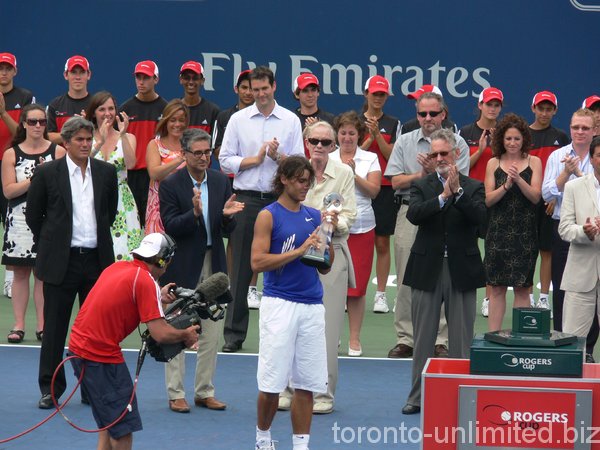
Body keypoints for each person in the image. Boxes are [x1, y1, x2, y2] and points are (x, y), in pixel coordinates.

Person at [68, 232, 200, 450]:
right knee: (123, 431)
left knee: (108, 426)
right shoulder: (145, 282)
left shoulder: (117, 268)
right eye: (168, 261)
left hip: (78, 352)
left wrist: (157, 295)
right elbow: (161, 334)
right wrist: (186, 335)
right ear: (162, 260)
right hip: (100, 359)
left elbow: (127, 294)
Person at [25, 116, 118, 409]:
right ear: (65, 142)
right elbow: (34, 216)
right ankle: (50, 389)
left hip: (96, 262)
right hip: (60, 263)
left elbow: (109, 213)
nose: (85, 144)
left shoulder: (105, 172)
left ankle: (90, 388)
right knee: (54, 329)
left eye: (89, 139)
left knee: (94, 331)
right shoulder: (47, 173)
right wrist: (53, 244)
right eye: (79, 139)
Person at [219, 66, 304, 353]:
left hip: (280, 200)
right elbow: (224, 160)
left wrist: (279, 157)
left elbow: (301, 163)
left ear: (274, 87)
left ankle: (282, 335)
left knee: (282, 266)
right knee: (241, 268)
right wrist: (253, 160)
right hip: (246, 198)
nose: (259, 94)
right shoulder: (238, 120)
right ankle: (233, 334)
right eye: (254, 90)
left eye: (264, 88)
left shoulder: (291, 120)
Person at [401, 128, 486, 415]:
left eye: (444, 154)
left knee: (461, 340)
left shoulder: (473, 187)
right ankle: (417, 396)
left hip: (461, 269)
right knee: (423, 338)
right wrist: (441, 197)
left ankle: (462, 396)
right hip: (427, 268)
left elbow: (481, 221)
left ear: (457, 154)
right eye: (435, 154)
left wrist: (457, 193)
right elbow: (414, 215)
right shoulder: (422, 185)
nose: (439, 158)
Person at [159, 128, 243, 413]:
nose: (204, 157)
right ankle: (176, 393)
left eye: (207, 152)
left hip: (214, 264)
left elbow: (225, 227)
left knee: (212, 331)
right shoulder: (171, 184)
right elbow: (171, 225)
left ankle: (204, 391)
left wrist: (227, 218)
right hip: (182, 266)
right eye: (198, 153)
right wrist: (194, 213)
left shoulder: (220, 181)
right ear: (184, 154)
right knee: (177, 329)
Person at [251, 155, 331, 450]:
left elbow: (324, 267)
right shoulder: (268, 215)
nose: (304, 186)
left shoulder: (315, 215)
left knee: (307, 384)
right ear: (283, 179)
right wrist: (300, 250)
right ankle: (262, 438)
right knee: (271, 384)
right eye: (299, 180)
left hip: (312, 306)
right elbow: (257, 262)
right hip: (279, 305)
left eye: (308, 182)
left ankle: (301, 445)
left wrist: (325, 243)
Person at [384, 91, 470, 359]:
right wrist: (421, 175)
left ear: (443, 114)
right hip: (411, 211)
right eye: (423, 114)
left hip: (448, 213)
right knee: (408, 277)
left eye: (434, 113)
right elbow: (395, 182)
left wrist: (436, 173)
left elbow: (461, 182)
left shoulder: (459, 145)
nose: (428, 118)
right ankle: (407, 338)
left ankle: (440, 340)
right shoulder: (405, 142)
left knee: (444, 276)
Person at [278, 120, 356, 414]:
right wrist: (312, 221)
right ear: (305, 142)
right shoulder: (291, 170)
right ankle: (286, 389)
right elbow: (284, 208)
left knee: (327, 329)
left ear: (334, 146)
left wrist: (334, 223)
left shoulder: (344, 173)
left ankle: (323, 394)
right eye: (315, 141)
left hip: (331, 253)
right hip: (294, 253)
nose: (320, 147)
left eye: (326, 142)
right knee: (290, 326)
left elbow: (351, 215)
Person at [2, 104, 66, 343]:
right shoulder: (11, 154)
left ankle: (43, 325)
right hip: (19, 222)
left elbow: (61, 190)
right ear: (24, 124)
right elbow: (9, 191)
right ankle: (19, 325)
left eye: (42, 122)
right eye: (33, 122)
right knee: (20, 274)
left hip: (48, 221)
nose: (38, 126)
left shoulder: (58, 152)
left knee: (43, 275)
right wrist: (37, 176)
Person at [542, 108, 597, 362]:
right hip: (565, 231)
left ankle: (587, 349)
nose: (580, 132)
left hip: (597, 234)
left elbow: (594, 189)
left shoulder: (597, 156)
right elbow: (546, 195)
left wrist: (578, 175)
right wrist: (566, 174)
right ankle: (564, 344)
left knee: (593, 292)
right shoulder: (558, 156)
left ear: (594, 130)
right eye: (576, 127)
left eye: (585, 128)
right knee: (565, 290)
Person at [484, 113, 542, 331]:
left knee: (522, 288)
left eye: (516, 138)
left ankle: (520, 337)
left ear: (523, 139)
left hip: (525, 235)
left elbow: (536, 197)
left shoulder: (534, 161)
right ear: (501, 139)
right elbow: (488, 200)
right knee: (497, 288)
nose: (512, 143)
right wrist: (507, 185)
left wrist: (518, 179)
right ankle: (493, 336)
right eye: (508, 138)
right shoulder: (493, 163)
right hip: (498, 233)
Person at [329, 111, 380, 356]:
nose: (347, 137)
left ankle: (355, 339)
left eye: (352, 133)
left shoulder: (370, 158)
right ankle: (333, 335)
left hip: (361, 228)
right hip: (332, 229)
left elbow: (373, 191)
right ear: (337, 135)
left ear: (359, 135)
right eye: (343, 133)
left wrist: (353, 173)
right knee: (332, 285)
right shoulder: (327, 157)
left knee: (357, 288)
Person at [211, 69, 261, 308]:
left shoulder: (265, 118)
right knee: (234, 238)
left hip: (257, 186)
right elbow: (220, 152)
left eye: (253, 88)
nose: (249, 92)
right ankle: (232, 283)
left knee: (258, 240)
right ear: (237, 90)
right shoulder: (226, 117)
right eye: (245, 87)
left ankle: (252, 288)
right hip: (230, 184)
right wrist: (248, 159)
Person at [459, 86, 504, 317]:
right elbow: (460, 165)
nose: (493, 109)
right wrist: (480, 150)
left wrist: (496, 148)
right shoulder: (465, 132)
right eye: (489, 104)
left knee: (491, 250)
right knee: (467, 247)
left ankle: (488, 298)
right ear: (480, 106)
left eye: (496, 105)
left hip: (492, 198)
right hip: (468, 196)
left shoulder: (504, 133)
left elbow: (506, 163)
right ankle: (466, 295)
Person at [359, 75, 400, 314]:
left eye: (382, 94)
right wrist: (368, 137)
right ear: (366, 94)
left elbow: (390, 156)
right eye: (374, 93)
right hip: (358, 185)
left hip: (383, 188)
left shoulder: (394, 124)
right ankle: (351, 291)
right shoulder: (353, 120)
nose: (378, 98)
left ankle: (381, 294)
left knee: (382, 242)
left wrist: (376, 136)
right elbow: (352, 153)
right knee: (354, 240)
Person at [85, 91, 142, 260]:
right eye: (102, 109)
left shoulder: (128, 137)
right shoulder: (85, 138)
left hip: (122, 201)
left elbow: (131, 164)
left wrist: (123, 134)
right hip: (92, 198)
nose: (107, 113)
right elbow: (79, 165)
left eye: (111, 108)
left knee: (126, 253)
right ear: (94, 113)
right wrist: (99, 142)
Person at [528, 91, 570, 313]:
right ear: (533, 108)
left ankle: (544, 297)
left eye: (549, 109)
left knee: (547, 251)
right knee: (527, 251)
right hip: (527, 201)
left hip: (549, 204)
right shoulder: (523, 134)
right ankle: (525, 296)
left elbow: (564, 172)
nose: (544, 113)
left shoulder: (561, 137)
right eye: (540, 108)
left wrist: (553, 197)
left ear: (554, 111)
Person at [558, 136, 600, 344]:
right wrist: (584, 231)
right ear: (591, 159)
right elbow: (564, 229)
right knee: (572, 341)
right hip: (580, 275)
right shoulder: (574, 187)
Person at [0, 52, 35, 297]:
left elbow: (20, 136)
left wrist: (3, 112)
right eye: (0, 68)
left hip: (12, 162)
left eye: (7, 68)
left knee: (10, 220)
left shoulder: (24, 98)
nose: (3, 73)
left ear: (15, 71)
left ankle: (11, 280)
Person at [120, 60, 168, 227]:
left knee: (155, 223)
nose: (141, 82)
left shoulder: (165, 109)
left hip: (156, 174)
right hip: (132, 176)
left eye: (146, 78)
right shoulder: (125, 109)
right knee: (132, 223)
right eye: (138, 77)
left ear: (156, 79)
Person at [145, 99, 188, 234]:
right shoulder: (155, 144)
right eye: (173, 120)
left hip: (185, 204)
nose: (177, 124)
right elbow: (154, 173)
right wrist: (179, 160)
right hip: (159, 206)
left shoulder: (191, 144)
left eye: (181, 120)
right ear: (166, 121)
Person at [47, 55, 92, 144]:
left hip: (91, 156)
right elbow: (46, 137)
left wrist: (88, 126)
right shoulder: (55, 105)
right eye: (73, 72)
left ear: (89, 75)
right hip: (62, 157)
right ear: (66, 75)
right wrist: (73, 131)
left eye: (82, 72)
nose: (78, 77)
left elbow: (107, 135)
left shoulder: (98, 104)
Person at [293, 72, 335, 157]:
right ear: (297, 95)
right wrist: (308, 132)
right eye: (305, 91)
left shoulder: (330, 119)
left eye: (313, 90)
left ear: (318, 92)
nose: (310, 95)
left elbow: (336, 150)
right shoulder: (291, 120)